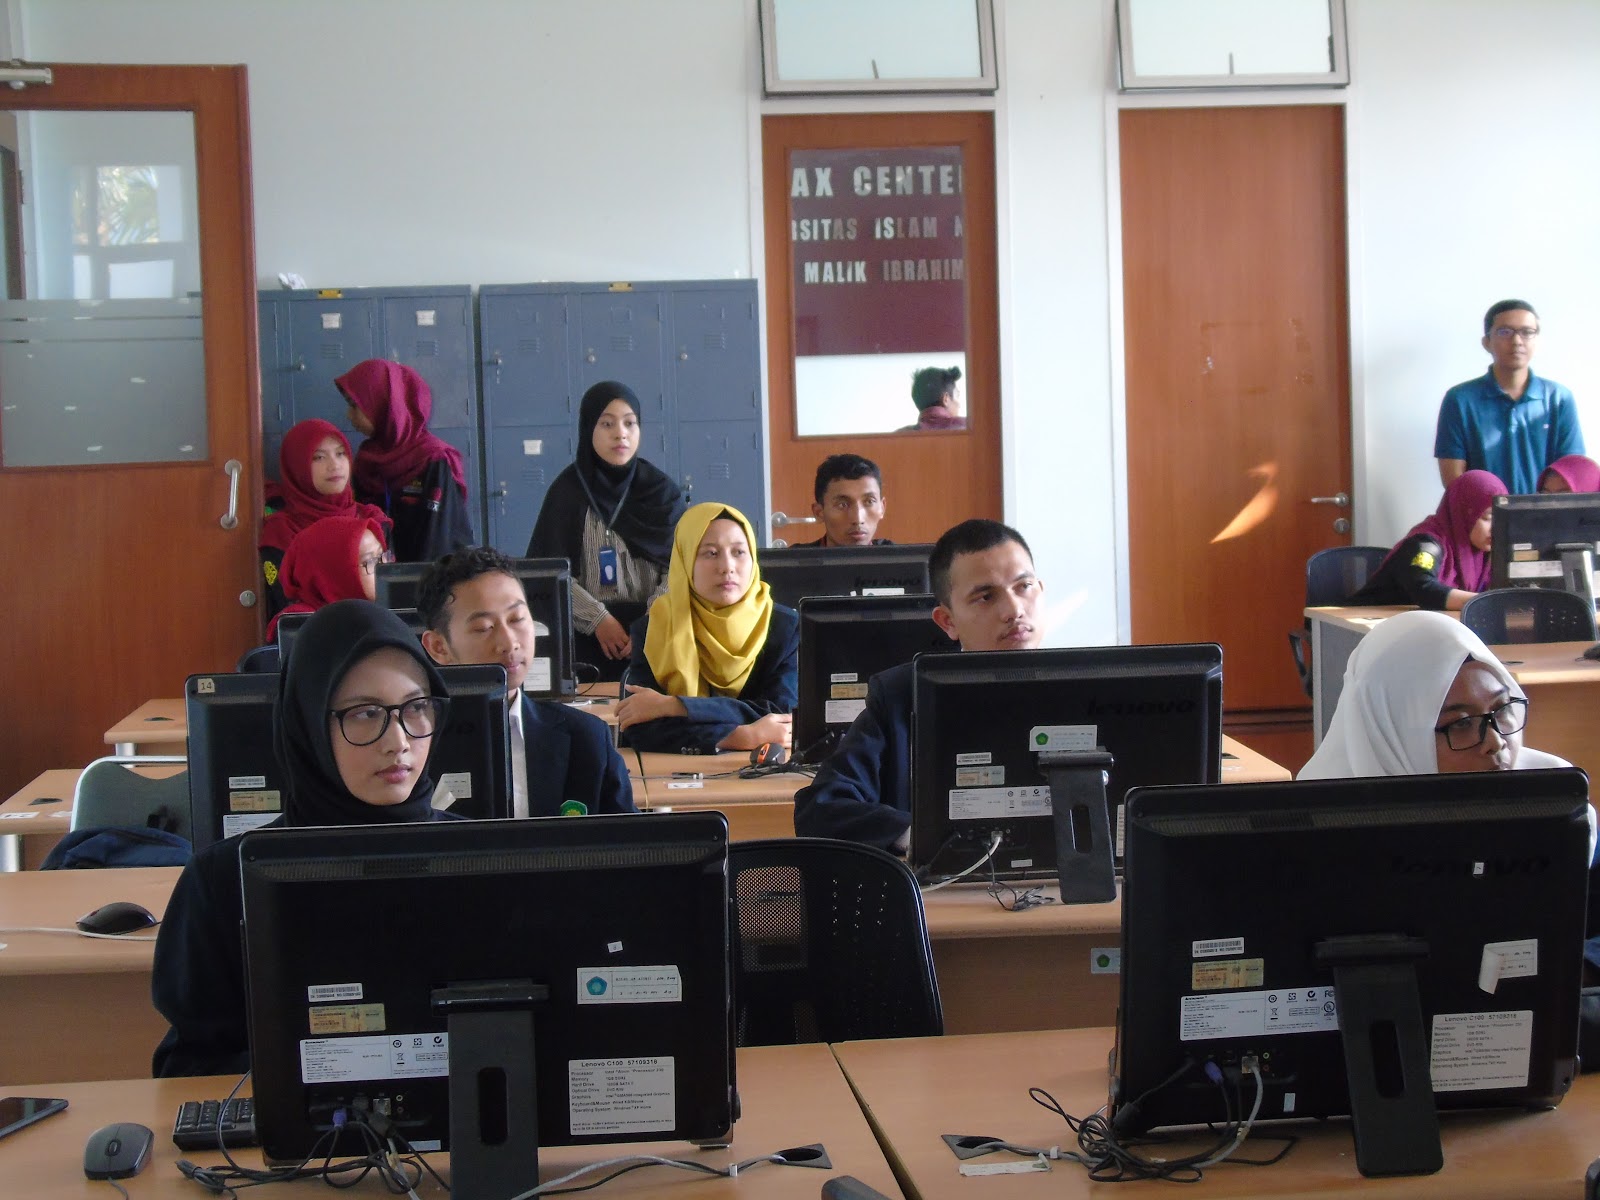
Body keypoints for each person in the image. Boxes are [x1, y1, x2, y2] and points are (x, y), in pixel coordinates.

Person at [152, 601, 459, 1076]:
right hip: (287, 1123)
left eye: (416, 708)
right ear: (310, 724)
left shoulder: (482, 859)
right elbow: (193, 1066)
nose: (398, 740)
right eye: (365, 713)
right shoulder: (222, 881)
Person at [793, 519, 1045, 850]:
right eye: (986, 596)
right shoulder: (902, 697)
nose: (1014, 610)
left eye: (1024, 587)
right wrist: (920, 836)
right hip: (946, 881)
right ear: (948, 621)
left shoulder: (1090, 688)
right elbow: (821, 809)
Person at [417, 546, 635, 818]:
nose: (509, 642)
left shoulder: (586, 739)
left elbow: (628, 840)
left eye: (517, 619)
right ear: (438, 647)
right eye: (484, 628)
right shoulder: (412, 746)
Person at [526, 381, 686, 682]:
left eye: (630, 423)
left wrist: (653, 622)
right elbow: (547, 574)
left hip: (656, 637)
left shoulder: (662, 493)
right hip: (584, 639)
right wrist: (598, 619)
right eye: (607, 424)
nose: (620, 434)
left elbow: (683, 567)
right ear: (589, 428)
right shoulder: (567, 492)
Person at [616, 502, 797, 754]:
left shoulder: (784, 627)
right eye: (711, 553)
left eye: (739, 552)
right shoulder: (654, 628)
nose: (727, 567)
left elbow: (781, 715)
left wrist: (674, 706)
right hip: (675, 772)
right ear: (685, 561)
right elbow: (640, 726)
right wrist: (741, 736)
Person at [1434, 300, 1583, 493]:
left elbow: (1573, 473)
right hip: (1484, 511)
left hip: (1546, 511)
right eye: (1505, 332)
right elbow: (1453, 479)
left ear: (1537, 341)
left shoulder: (1559, 399)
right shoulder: (1460, 400)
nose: (1517, 341)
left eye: (1527, 332)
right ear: (1486, 342)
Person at [338, 358, 473, 562]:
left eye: (354, 405)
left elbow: (439, 540)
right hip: (380, 574)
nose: (349, 415)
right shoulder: (367, 461)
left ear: (383, 404)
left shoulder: (432, 459)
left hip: (430, 574)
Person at [258, 419, 390, 621]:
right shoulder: (281, 533)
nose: (334, 465)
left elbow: (390, 592)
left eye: (340, 453)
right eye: (318, 457)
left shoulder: (373, 521)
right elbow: (286, 604)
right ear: (297, 466)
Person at [1347, 470, 1507, 611]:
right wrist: (1485, 602)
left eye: (1501, 517)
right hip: (1371, 627)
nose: (1496, 528)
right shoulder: (1427, 544)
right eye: (1487, 518)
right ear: (1464, 513)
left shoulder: (1483, 553)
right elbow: (1423, 588)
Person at [266, 515, 390, 641]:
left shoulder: (377, 612)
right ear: (338, 573)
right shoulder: (302, 627)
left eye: (382, 556)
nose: (383, 567)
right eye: (371, 561)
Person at [803, 453, 892, 547]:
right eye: (843, 505)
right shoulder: (795, 556)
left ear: (882, 508)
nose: (858, 519)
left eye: (869, 502)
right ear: (818, 512)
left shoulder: (898, 555)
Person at [901, 365, 966, 432]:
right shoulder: (967, 427)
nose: (959, 405)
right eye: (957, 396)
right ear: (946, 399)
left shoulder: (900, 434)